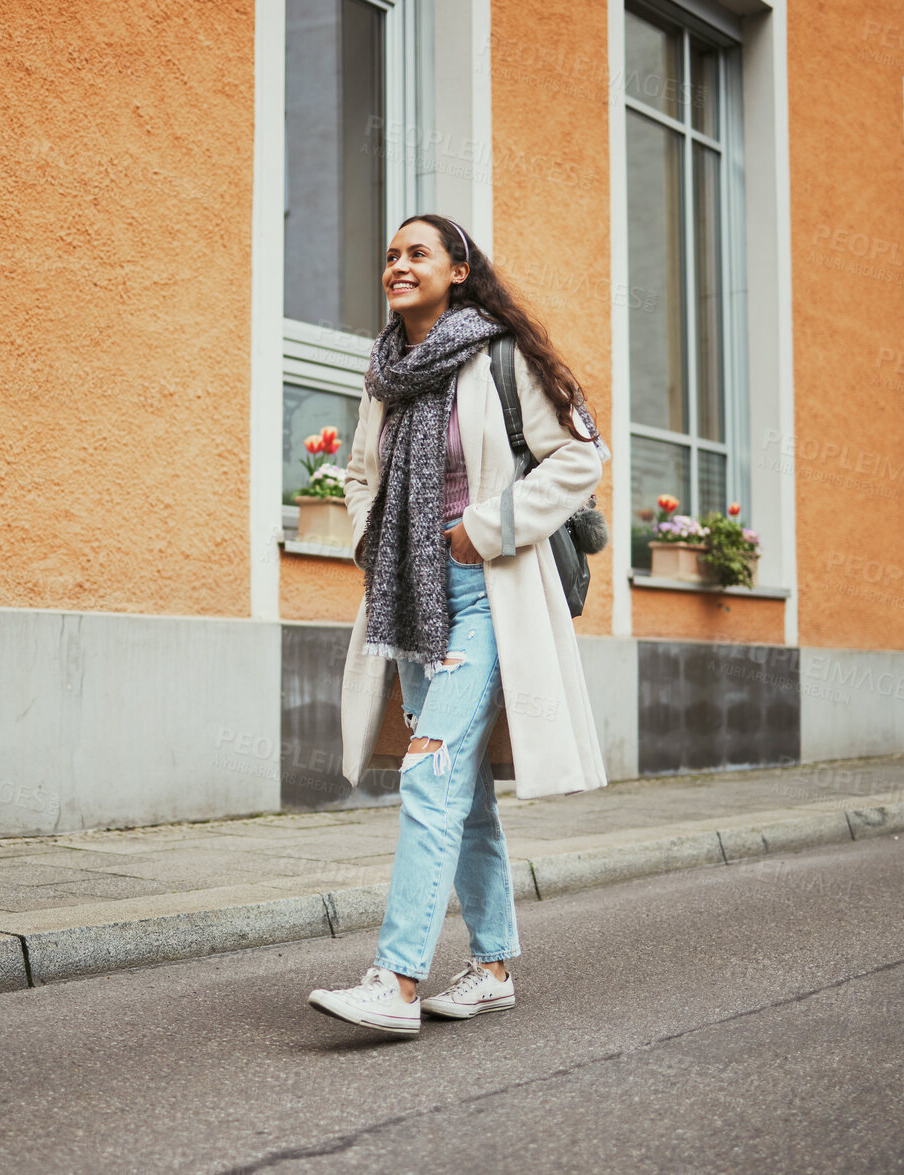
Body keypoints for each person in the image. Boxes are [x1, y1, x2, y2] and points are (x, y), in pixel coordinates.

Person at [307, 214, 611, 1036]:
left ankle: (397, 979)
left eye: (417, 253)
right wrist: (377, 536)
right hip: (408, 600)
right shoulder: (386, 371)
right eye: (390, 255)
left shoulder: (500, 356)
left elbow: (582, 458)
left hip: (482, 599)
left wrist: (484, 527)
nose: (398, 265)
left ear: (458, 269)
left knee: (429, 776)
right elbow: (362, 471)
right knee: (463, 794)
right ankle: (491, 964)